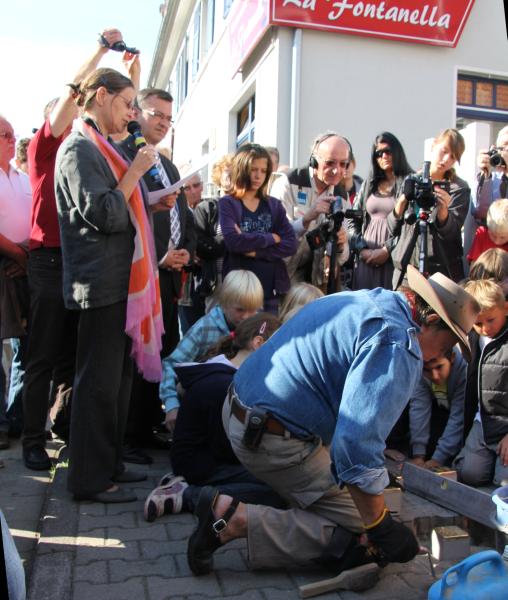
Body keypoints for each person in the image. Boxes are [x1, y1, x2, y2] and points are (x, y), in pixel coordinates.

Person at [185, 265, 480, 576]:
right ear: (431, 320)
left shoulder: (375, 301)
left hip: (241, 409)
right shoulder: (398, 343)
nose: (438, 356)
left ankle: (268, 501)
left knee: (359, 501)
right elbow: (354, 447)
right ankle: (232, 519)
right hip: (268, 438)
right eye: (445, 346)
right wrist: (381, 525)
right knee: (362, 528)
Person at [22, 28, 137, 470]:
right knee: (43, 355)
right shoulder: (55, 146)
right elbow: (81, 93)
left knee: (78, 360)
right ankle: (33, 440)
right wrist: (100, 51)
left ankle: (74, 437)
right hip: (51, 260)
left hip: (81, 263)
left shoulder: (96, 146)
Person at [55, 68, 163, 503]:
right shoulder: (78, 149)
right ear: (101, 96)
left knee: (117, 383)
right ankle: (89, 479)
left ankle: (110, 462)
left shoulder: (102, 148)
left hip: (118, 282)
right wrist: (135, 173)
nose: (131, 114)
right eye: (126, 104)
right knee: (97, 385)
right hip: (98, 283)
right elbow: (104, 213)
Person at [144, 313, 286, 521]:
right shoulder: (224, 385)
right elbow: (225, 448)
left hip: (198, 458)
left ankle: (184, 483)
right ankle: (187, 495)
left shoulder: (225, 372)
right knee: (279, 491)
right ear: (258, 343)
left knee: (276, 477)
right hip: (200, 464)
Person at [120, 87, 196, 463]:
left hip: (169, 275)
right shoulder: (129, 156)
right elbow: (132, 215)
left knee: (162, 352)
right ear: (137, 113)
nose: (164, 123)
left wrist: (186, 253)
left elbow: (183, 215)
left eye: (169, 118)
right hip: (143, 272)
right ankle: (128, 436)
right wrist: (160, 256)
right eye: (157, 115)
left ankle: (149, 426)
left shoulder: (168, 165)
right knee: (139, 354)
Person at [160, 269, 263, 433]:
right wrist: (171, 405)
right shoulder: (204, 329)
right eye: (240, 310)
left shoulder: (259, 329)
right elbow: (171, 365)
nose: (246, 317)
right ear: (224, 302)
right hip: (204, 409)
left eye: (253, 310)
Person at [219, 143, 297, 313]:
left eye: (263, 170)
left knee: (267, 337)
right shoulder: (228, 203)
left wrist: (255, 251)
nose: (258, 176)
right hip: (239, 292)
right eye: (254, 169)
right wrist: (270, 238)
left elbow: (291, 244)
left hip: (270, 291)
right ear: (241, 169)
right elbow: (233, 242)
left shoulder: (274, 205)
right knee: (241, 337)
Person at [389, 129, 471, 287]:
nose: (446, 159)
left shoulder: (458, 188)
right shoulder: (411, 180)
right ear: (434, 146)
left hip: (441, 270)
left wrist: (443, 211)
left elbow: (452, 233)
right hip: (406, 266)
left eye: (453, 157)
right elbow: (392, 227)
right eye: (444, 151)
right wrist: (403, 200)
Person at [270, 133, 350, 288]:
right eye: (330, 163)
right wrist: (306, 219)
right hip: (280, 278)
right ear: (314, 161)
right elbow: (276, 239)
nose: (336, 170)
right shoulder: (288, 183)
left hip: (315, 284)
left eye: (343, 164)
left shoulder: (342, 196)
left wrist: (341, 243)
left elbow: (343, 257)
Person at [455, 279, 508, 487]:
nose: (485, 328)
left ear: (505, 309)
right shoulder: (472, 339)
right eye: (478, 323)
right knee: (470, 475)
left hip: (505, 425)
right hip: (483, 422)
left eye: (491, 320)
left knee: (502, 483)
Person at [0, 115, 31, 451]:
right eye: (4, 134)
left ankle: (17, 419)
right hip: (6, 266)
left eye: (12, 134)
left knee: (26, 348)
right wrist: (16, 254)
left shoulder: (22, 178)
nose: (11, 139)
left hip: (25, 269)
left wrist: (26, 257)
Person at [349, 132, 413, 291]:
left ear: (397, 152)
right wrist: (362, 250)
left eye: (388, 151)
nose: (384, 156)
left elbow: (411, 226)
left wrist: (386, 250)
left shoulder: (409, 183)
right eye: (379, 153)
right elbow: (352, 220)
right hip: (366, 260)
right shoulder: (368, 184)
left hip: (394, 259)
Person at [409, 348, 466, 469]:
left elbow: (458, 418)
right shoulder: (420, 371)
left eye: (439, 367)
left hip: (464, 423)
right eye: (427, 370)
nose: (434, 376)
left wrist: (438, 459)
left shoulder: (464, 370)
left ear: (452, 358)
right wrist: (418, 455)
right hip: (440, 411)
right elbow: (419, 409)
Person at [193, 154, 232, 311]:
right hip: (216, 282)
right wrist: (233, 238)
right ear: (219, 176)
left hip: (241, 279)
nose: (231, 177)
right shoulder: (206, 208)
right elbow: (201, 247)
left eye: (236, 173)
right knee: (215, 330)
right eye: (227, 172)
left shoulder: (248, 207)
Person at [178, 173, 206, 333]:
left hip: (206, 283)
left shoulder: (212, 209)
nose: (193, 191)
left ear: (202, 186)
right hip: (184, 286)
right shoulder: (176, 213)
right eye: (187, 188)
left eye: (196, 185)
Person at [473, 125, 508, 224]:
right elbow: (480, 213)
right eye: (501, 148)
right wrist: (485, 173)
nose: (503, 152)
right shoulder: (490, 179)